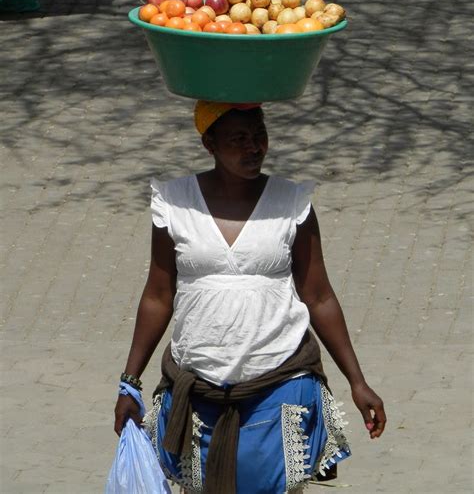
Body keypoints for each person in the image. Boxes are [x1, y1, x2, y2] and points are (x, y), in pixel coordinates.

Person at [113, 100, 386, 494]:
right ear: (209, 143)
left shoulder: (291, 203)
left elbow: (319, 295)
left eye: (260, 136)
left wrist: (358, 382)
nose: (254, 148)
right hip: (198, 387)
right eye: (239, 139)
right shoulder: (175, 203)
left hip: (280, 383)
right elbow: (158, 296)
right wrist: (129, 383)